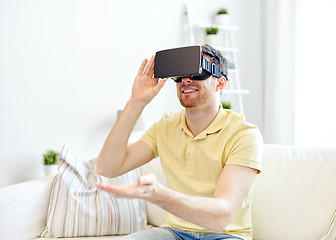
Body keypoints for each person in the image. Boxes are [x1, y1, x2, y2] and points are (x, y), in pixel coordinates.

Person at [96, 44, 263, 240]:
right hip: (173, 232)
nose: (186, 79)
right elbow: (107, 168)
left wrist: (158, 194)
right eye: (180, 75)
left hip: (226, 235)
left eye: (198, 72)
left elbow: (220, 217)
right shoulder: (165, 127)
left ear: (220, 83)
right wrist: (136, 102)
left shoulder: (243, 134)